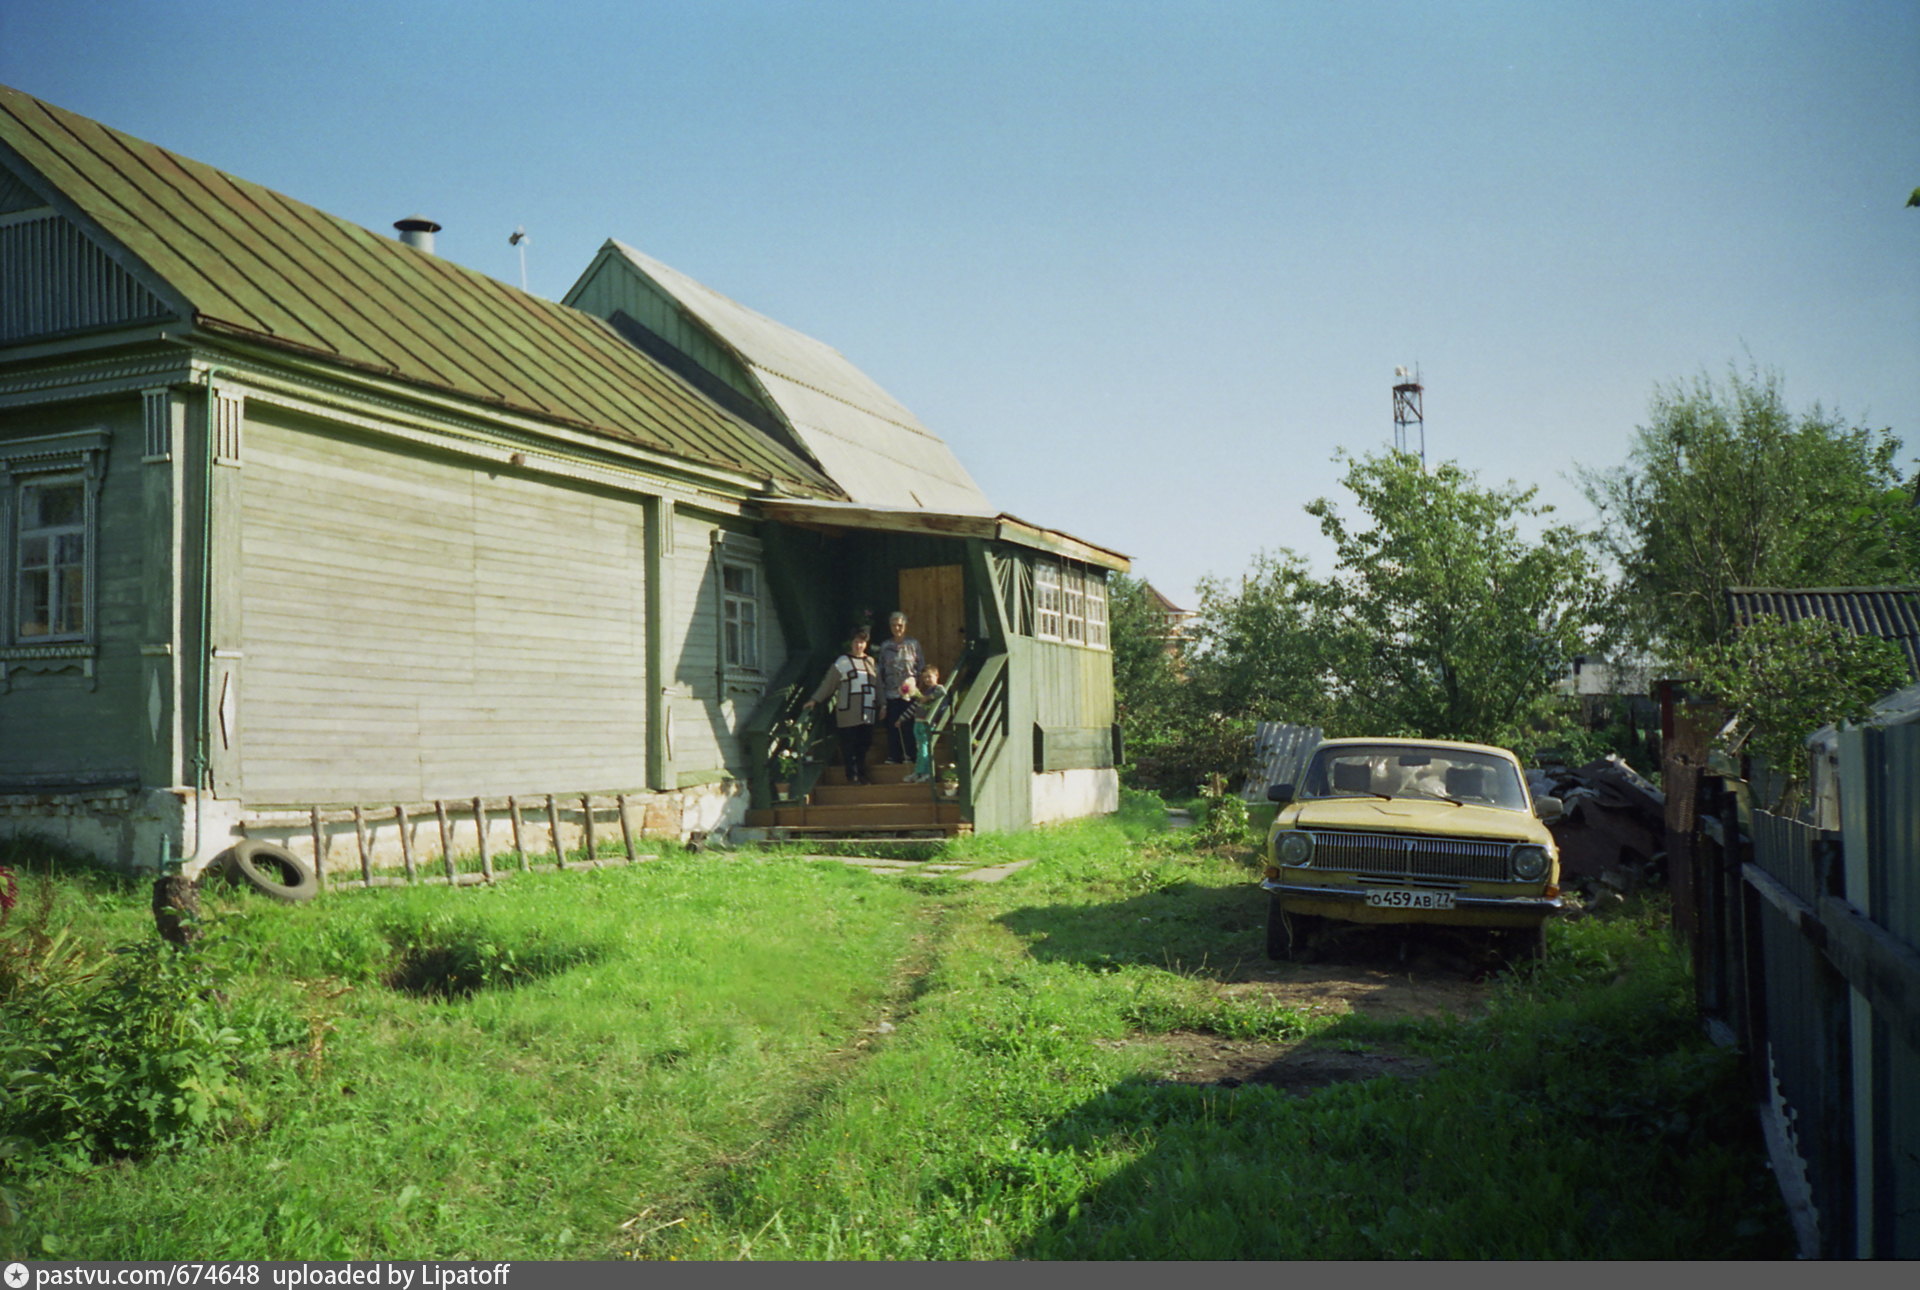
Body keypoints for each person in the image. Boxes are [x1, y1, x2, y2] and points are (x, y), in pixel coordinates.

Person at [803, 630, 880, 784]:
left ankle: (862, 772)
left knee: (864, 742)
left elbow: (879, 685)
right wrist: (815, 699)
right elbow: (829, 683)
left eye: (862, 642)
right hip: (849, 710)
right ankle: (852, 775)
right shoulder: (842, 662)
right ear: (851, 643)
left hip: (867, 710)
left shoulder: (870, 661)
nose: (859, 645)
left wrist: (882, 704)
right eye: (856, 642)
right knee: (849, 744)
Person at [875, 610, 923, 764]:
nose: (897, 628)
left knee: (908, 725)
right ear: (890, 627)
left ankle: (910, 755)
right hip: (891, 692)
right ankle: (894, 755)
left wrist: (917, 686)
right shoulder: (885, 646)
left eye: (900, 625)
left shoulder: (913, 644)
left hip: (909, 692)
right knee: (892, 725)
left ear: (905, 626)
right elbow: (880, 670)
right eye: (894, 625)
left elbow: (920, 666)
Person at [901, 663, 948, 784]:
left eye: (929, 676)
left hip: (928, 723)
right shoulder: (924, 693)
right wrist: (901, 719)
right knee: (919, 749)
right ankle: (919, 772)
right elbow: (914, 707)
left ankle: (926, 772)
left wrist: (929, 697)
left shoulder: (937, 688)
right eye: (924, 677)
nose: (927, 679)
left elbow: (943, 692)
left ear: (936, 676)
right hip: (918, 724)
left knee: (924, 748)